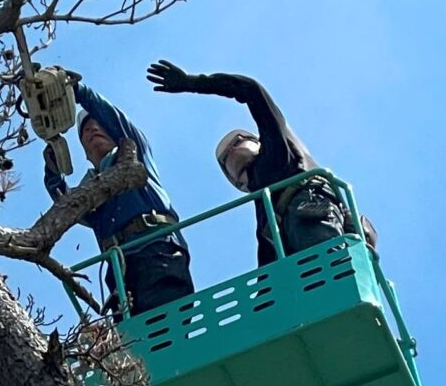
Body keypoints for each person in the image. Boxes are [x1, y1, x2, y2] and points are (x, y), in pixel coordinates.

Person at [145, 60, 362, 265]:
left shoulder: (281, 151)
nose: (232, 150)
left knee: (330, 267)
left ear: (258, 143)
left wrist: (193, 83)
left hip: (312, 207)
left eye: (238, 141)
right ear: (239, 184)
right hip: (290, 239)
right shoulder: (264, 209)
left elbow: (252, 90)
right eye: (226, 158)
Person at [43, 77, 195, 319]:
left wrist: (78, 92)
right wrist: (53, 173)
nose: (92, 128)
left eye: (98, 124)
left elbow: (114, 118)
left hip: (158, 250)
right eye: (85, 131)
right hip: (119, 271)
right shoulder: (91, 190)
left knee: (169, 325)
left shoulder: (136, 155)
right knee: (133, 344)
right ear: (83, 150)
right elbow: (66, 206)